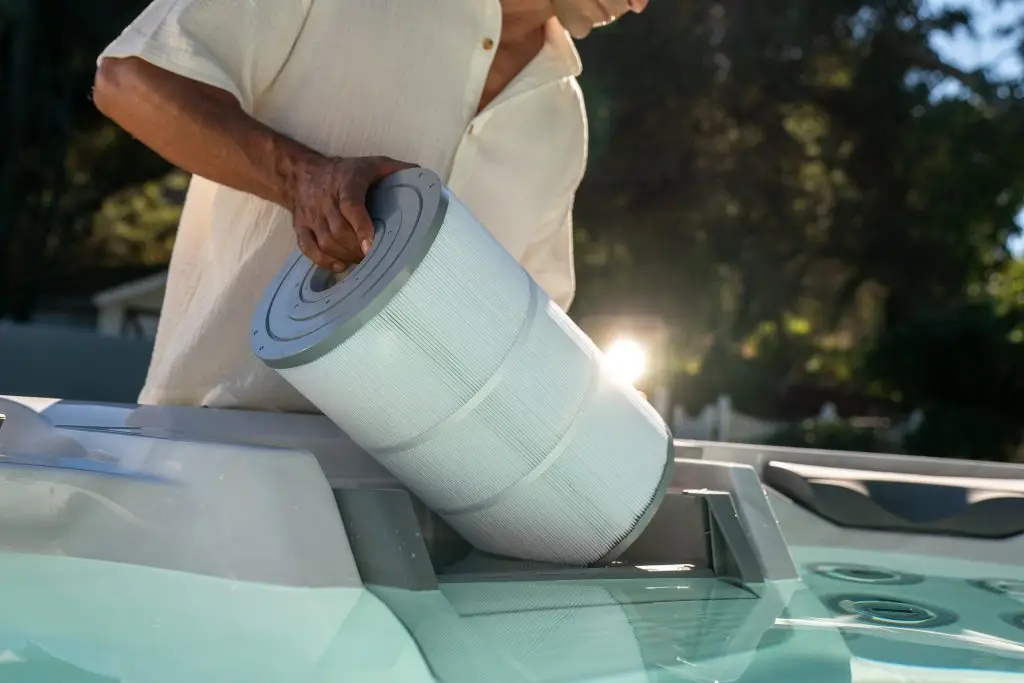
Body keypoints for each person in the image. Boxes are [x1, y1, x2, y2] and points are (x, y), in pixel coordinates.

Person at [93, 0, 648, 412]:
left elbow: (524, 339)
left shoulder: (560, 117)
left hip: (409, 516)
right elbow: (131, 77)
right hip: (217, 455)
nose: (640, 4)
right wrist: (302, 179)